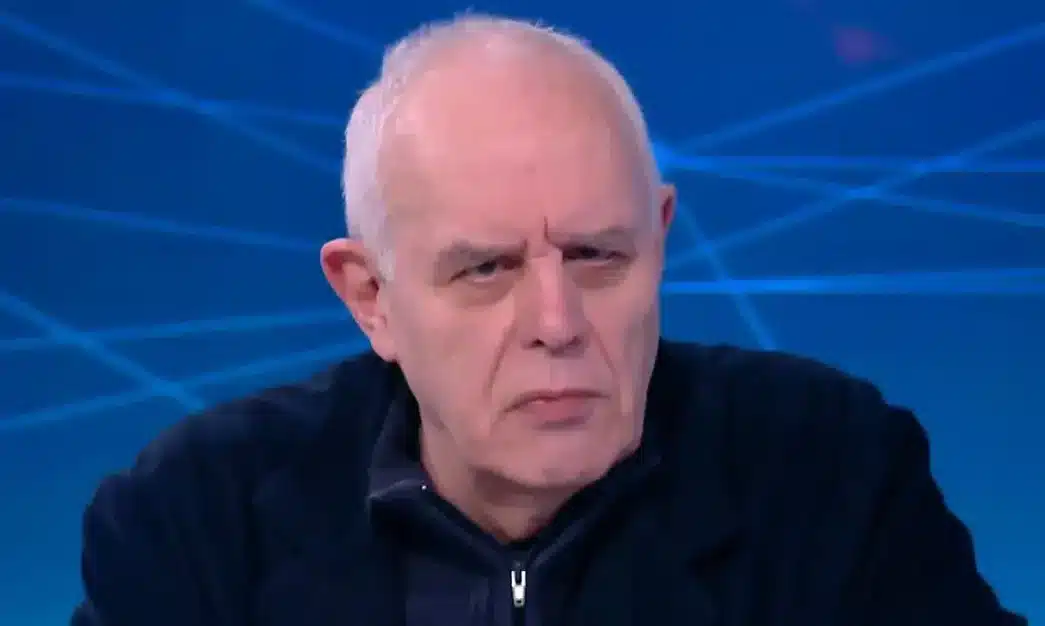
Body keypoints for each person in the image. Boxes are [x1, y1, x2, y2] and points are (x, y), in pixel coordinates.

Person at [71, 14, 1026, 626]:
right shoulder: (197, 521)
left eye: (597, 256)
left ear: (658, 240)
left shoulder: (829, 476)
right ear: (371, 298)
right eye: (485, 270)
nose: (557, 323)